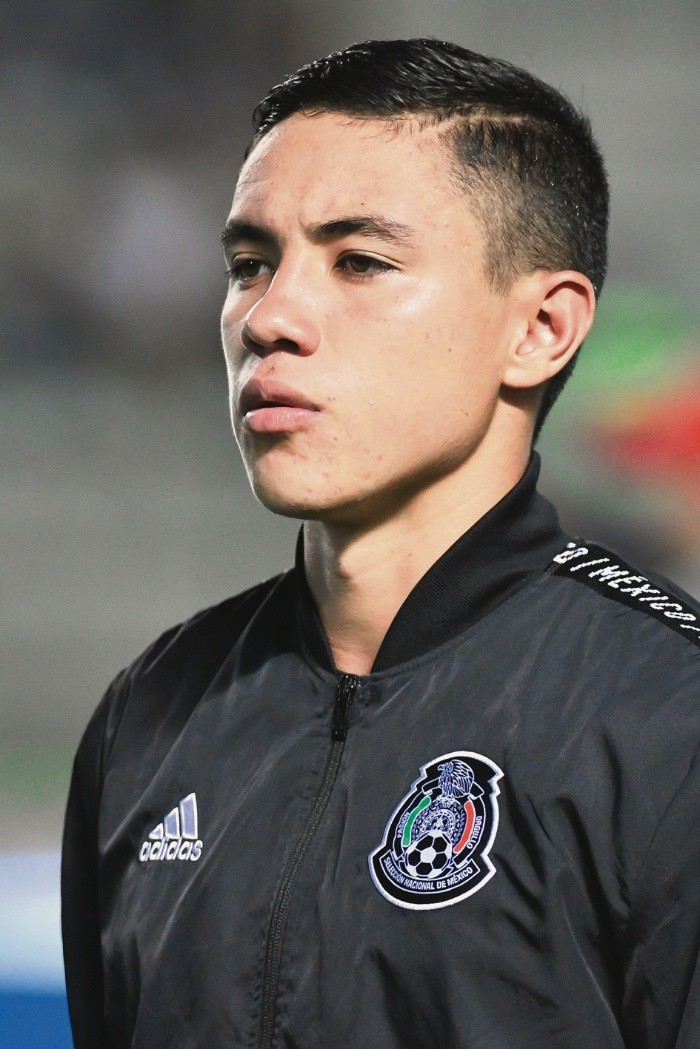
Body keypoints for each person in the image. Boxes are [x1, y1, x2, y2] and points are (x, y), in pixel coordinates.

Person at [61, 38, 699, 1049]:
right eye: (248, 264)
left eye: (359, 261)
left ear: (540, 328)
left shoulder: (668, 717)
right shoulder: (150, 714)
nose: (269, 318)